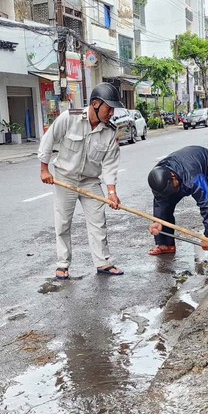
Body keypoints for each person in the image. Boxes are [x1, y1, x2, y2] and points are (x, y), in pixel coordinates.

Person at [39, 83, 124, 279]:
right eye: (109, 108)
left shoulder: (110, 131)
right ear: (95, 104)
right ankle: (62, 264)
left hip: (90, 181)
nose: (111, 113)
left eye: (113, 109)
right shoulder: (70, 117)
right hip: (65, 177)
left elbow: (110, 164)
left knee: (98, 221)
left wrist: (112, 192)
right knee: (63, 223)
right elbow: (48, 139)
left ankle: (103, 262)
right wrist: (44, 169)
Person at [146, 145, 208, 263]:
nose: (174, 192)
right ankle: (166, 244)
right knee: (165, 204)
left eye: (173, 188)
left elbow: (207, 205)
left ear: (173, 177)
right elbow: (160, 204)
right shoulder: (158, 179)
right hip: (182, 173)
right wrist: (158, 222)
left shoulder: (193, 177)